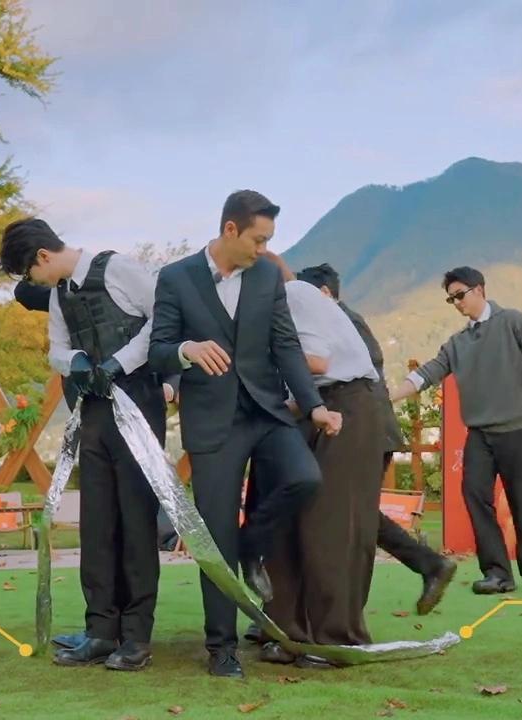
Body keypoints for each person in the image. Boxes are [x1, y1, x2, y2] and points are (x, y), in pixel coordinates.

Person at [148, 189, 342, 679]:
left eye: (268, 240)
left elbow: (286, 345)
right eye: (259, 239)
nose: (264, 249)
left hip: (266, 412)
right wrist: (187, 350)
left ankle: (251, 543)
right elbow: (158, 349)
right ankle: (222, 648)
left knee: (305, 477)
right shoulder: (175, 277)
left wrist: (315, 406)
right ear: (230, 229)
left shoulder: (267, 277)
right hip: (212, 424)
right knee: (214, 539)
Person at [0, 217, 165, 671]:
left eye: (30, 272)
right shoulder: (59, 294)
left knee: (136, 524)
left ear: (43, 256)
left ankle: (136, 637)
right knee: (97, 524)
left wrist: (119, 362)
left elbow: (162, 318)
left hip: (137, 404)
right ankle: (101, 630)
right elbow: (56, 347)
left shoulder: (119, 269)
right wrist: (76, 362)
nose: (33, 282)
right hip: (92, 410)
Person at [390, 267, 522, 595]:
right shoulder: (457, 343)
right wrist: (386, 397)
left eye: (460, 295)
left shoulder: (513, 322)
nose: (456, 303)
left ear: (479, 289)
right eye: (451, 299)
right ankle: (497, 574)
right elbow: (426, 374)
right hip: (479, 434)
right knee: (475, 495)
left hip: (517, 429)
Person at [292, 263, 457, 615]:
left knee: (348, 513)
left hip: (364, 428)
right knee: (353, 511)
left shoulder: (342, 320)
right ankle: (428, 565)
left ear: (324, 293)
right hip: (357, 427)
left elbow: (353, 372)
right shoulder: (335, 320)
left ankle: (346, 608)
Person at [254, 268, 385, 667]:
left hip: (348, 404)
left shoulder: (294, 293)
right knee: (285, 519)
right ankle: (288, 633)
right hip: (305, 409)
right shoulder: (270, 310)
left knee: (331, 525)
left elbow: (315, 361)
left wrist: (248, 357)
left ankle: (337, 638)